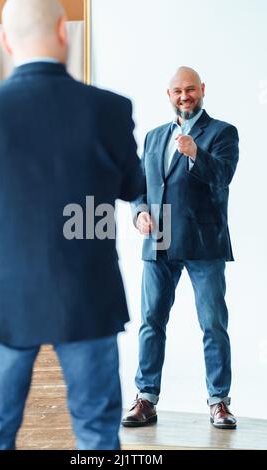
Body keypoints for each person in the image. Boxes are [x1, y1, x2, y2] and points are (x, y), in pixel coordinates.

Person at [0, 0, 144, 450]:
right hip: (87, 296)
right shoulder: (110, 110)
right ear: (64, 32)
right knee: (98, 437)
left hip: (1, 299)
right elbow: (131, 185)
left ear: (6, 42)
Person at [122, 66, 239, 429]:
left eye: (190, 89)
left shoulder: (222, 132)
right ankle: (146, 399)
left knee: (213, 324)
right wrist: (140, 212)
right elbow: (139, 187)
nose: (184, 96)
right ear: (168, 95)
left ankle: (219, 402)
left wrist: (195, 154)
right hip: (159, 240)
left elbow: (223, 177)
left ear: (202, 89)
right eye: (177, 91)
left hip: (204, 241)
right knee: (151, 323)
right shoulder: (155, 136)